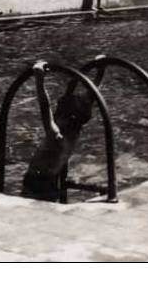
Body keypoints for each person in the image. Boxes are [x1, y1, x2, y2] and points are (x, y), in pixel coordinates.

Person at [22, 61, 106, 201]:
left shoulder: (57, 136)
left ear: (61, 116)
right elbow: (90, 98)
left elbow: (45, 107)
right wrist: (100, 72)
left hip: (39, 181)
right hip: (42, 181)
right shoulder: (68, 134)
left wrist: (39, 79)